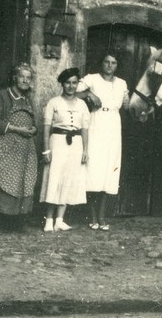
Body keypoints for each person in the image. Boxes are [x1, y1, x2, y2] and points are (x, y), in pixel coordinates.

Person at [77, 53, 130, 231]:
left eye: (113, 62)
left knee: (109, 170)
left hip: (114, 125)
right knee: (94, 170)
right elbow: (73, 91)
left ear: (117, 65)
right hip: (96, 122)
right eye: (106, 61)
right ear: (101, 63)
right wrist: (89, 94)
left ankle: (102, 215)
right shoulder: (92, 79)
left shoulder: (122, 83)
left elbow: (128, 105)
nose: (109, 65)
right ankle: (93, 216)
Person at [0, 63, 39, 231]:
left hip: (24, 148)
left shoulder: (28, 98)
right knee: (3, 182)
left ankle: (17, 222)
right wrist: (17, 129)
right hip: (6, 145)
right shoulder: (2, 96)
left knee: (23, 182)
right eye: (22, 76)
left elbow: (33, 122)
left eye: (28, 77)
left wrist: (34, 129)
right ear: (15, 78)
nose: (25, 80)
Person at [40, 67, 90, 232]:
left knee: (69, 179)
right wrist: (46, 150)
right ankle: (48, 220)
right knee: (55, 178)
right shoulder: (54, 102)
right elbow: (47, 128)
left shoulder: (82, 104)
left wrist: (85, 150)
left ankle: (60, 220)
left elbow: (84, 129)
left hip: (75, 144)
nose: (71, 86)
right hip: (58, 142)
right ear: (62, 84)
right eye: (67, 83)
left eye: (74, 83)